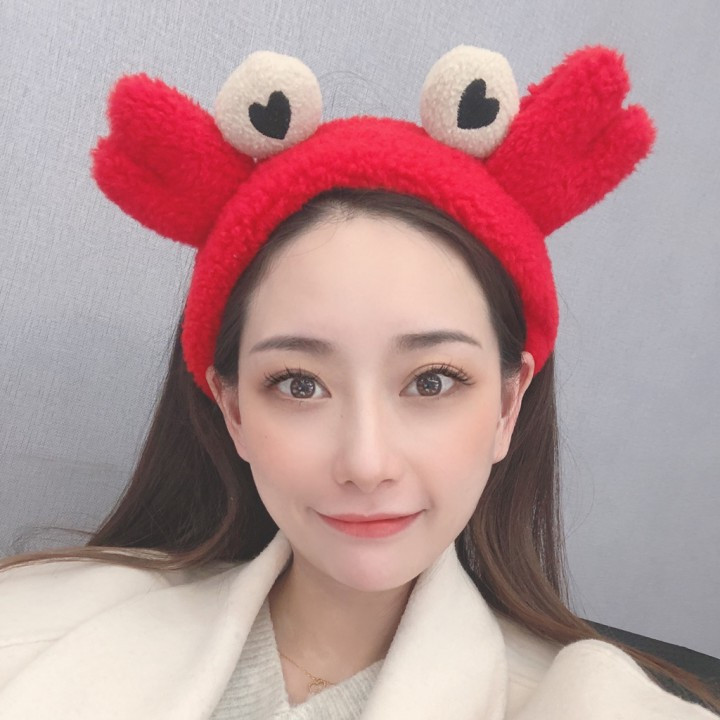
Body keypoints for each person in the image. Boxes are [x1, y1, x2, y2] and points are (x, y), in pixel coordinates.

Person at [0, 45, 718, 719]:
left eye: (432, 381)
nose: (367, 464)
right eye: (299, 384)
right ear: (233, 409)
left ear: (508, 405)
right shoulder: (26, 626)